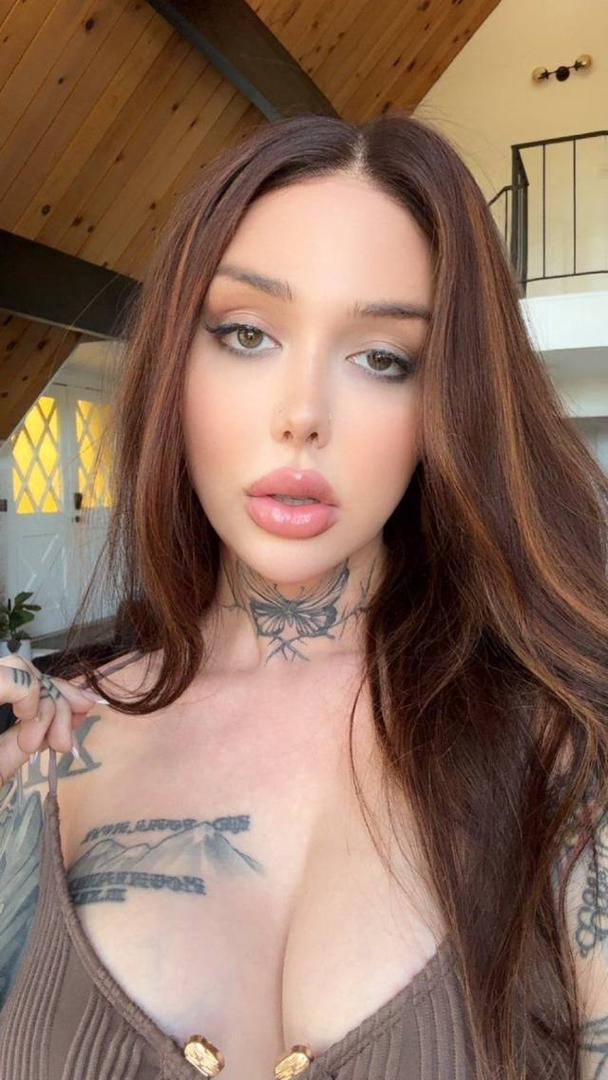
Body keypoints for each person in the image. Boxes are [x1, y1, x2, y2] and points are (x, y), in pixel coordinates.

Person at [0, 111, 607, 1080]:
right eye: (247, 334)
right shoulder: (52, 754)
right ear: (175, 363)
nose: (302, 416)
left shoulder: (565, 755)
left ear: (444, 406)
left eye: (382, 358)